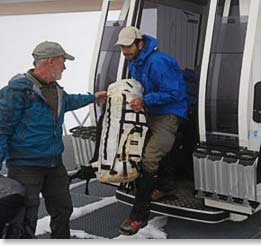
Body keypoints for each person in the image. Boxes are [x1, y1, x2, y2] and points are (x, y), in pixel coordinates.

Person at [0, 41, 107, 239]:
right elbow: (2, 128)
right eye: (62, 61)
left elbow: (68, 101)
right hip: (25, 165)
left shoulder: (55, 89)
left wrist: (93, 97)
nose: (65, 67)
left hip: (54, 163)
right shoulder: (17, 91)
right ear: (51, 61)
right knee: (25, 216)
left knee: (63, 208)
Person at [116, 26, 188, 235]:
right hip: (150, 110)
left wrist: (145, 100)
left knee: (148, 158)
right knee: (140, 148)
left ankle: (138, 216)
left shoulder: (157, 62)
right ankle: (165, 186)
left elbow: (173, 92)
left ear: (140, 43)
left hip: (169, 112)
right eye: (122, 47)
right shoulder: (134, 59)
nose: (125, 52)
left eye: (128, 47)